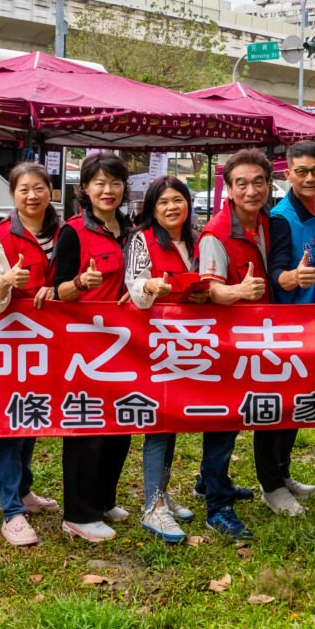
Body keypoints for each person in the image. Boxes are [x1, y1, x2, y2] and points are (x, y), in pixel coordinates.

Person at [0, 162, 63, 547]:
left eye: (39, 188)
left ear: (50, 191)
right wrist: (5, 282)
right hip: (13, 344)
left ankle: (24, 491)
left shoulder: (64, 233)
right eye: (23, 189)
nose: (32, 196)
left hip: (53, 344)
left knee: (34, 416)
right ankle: (11, 511)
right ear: (13, 194)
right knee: (12, 424)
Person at [52, 152, 133, 542]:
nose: (108, 190)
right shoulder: (72, 232)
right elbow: (58, 290)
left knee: (121, 424)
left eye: (115, 182)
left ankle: (103, 500)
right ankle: (79, 514)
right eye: (99, 183)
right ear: (84, 188)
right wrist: (81, 284)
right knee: (87, 428)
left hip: (126, 345)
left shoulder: (131, 230)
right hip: (84, 349)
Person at [196, 147, 275, 539]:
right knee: (224, 420)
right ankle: (217, 507)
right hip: (227, 341)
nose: (251, 190)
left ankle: (209, 481)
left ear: (269, 185)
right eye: (241, 183)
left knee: (240, 415)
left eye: (258, 182)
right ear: (228, 189)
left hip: (258, 337)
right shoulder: (216, 233)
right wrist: (239, 291)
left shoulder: (267, 223)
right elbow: (210, 289)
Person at [123, 175, 204, 543]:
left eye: (178, 200)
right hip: (154, 344)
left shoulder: (196, 240)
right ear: (152, 209)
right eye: (163, 202)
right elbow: (135, 285)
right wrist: (150, 286)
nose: (172, 208)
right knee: (158, 423)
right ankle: (152, 505)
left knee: (172, 421)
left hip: (186, 344)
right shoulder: (142, 240)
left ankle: (163, 493)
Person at [262, 141, 315, 516]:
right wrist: (291, 277)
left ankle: (283, 472)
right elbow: (274, 270)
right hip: (286, 325)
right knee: (275, 406)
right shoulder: (280, 217)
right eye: (301, 171)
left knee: (297, 404)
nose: (309, 178)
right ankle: (271, 485)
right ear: (287, 173)